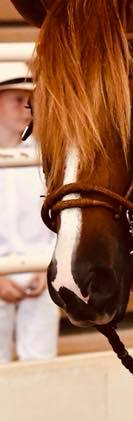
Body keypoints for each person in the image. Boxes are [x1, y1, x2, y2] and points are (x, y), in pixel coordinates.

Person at [0, 62, 58, 363]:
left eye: (29, 99)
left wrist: (44, 265)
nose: (26, 107)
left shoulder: (44, 157)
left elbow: (57, 220)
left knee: (40, 362)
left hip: (39, 272)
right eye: (16, 99)